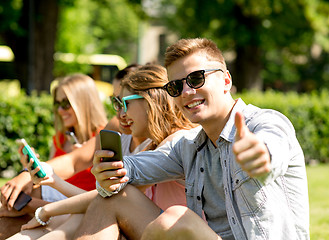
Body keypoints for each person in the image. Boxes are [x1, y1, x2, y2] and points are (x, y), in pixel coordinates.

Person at [74, 38, 309, 240]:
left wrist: (259, 157)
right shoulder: (189, 148)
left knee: (176, 218)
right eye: (176, 86)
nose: (186, 92)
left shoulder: (265, 123)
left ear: (226, 80)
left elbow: (271, 150)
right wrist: (109, 169)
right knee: (112, 197)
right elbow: (136, 167)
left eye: (196, 79)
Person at [8, 64, 196, 240]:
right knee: (85, 211)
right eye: (116, 103)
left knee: (101, 205)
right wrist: (48, 182)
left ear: (151, 101)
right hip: (150, 224)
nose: (121, 114)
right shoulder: (150, 143)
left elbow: (110, 195)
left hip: (173, 230)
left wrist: (45, 209)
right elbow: (99, 188)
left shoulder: (176, 142)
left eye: (125, 103)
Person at [0, 73, 108, 239]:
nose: (59, 110)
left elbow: (92, 201)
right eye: (57, 103)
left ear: (83, 103)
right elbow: (46, 183)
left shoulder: (102, 138)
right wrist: (28, 167)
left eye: (65, 103)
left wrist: (29, 202)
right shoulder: (60, 138)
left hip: (72, 210)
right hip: (48, 206)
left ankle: (22, 204)